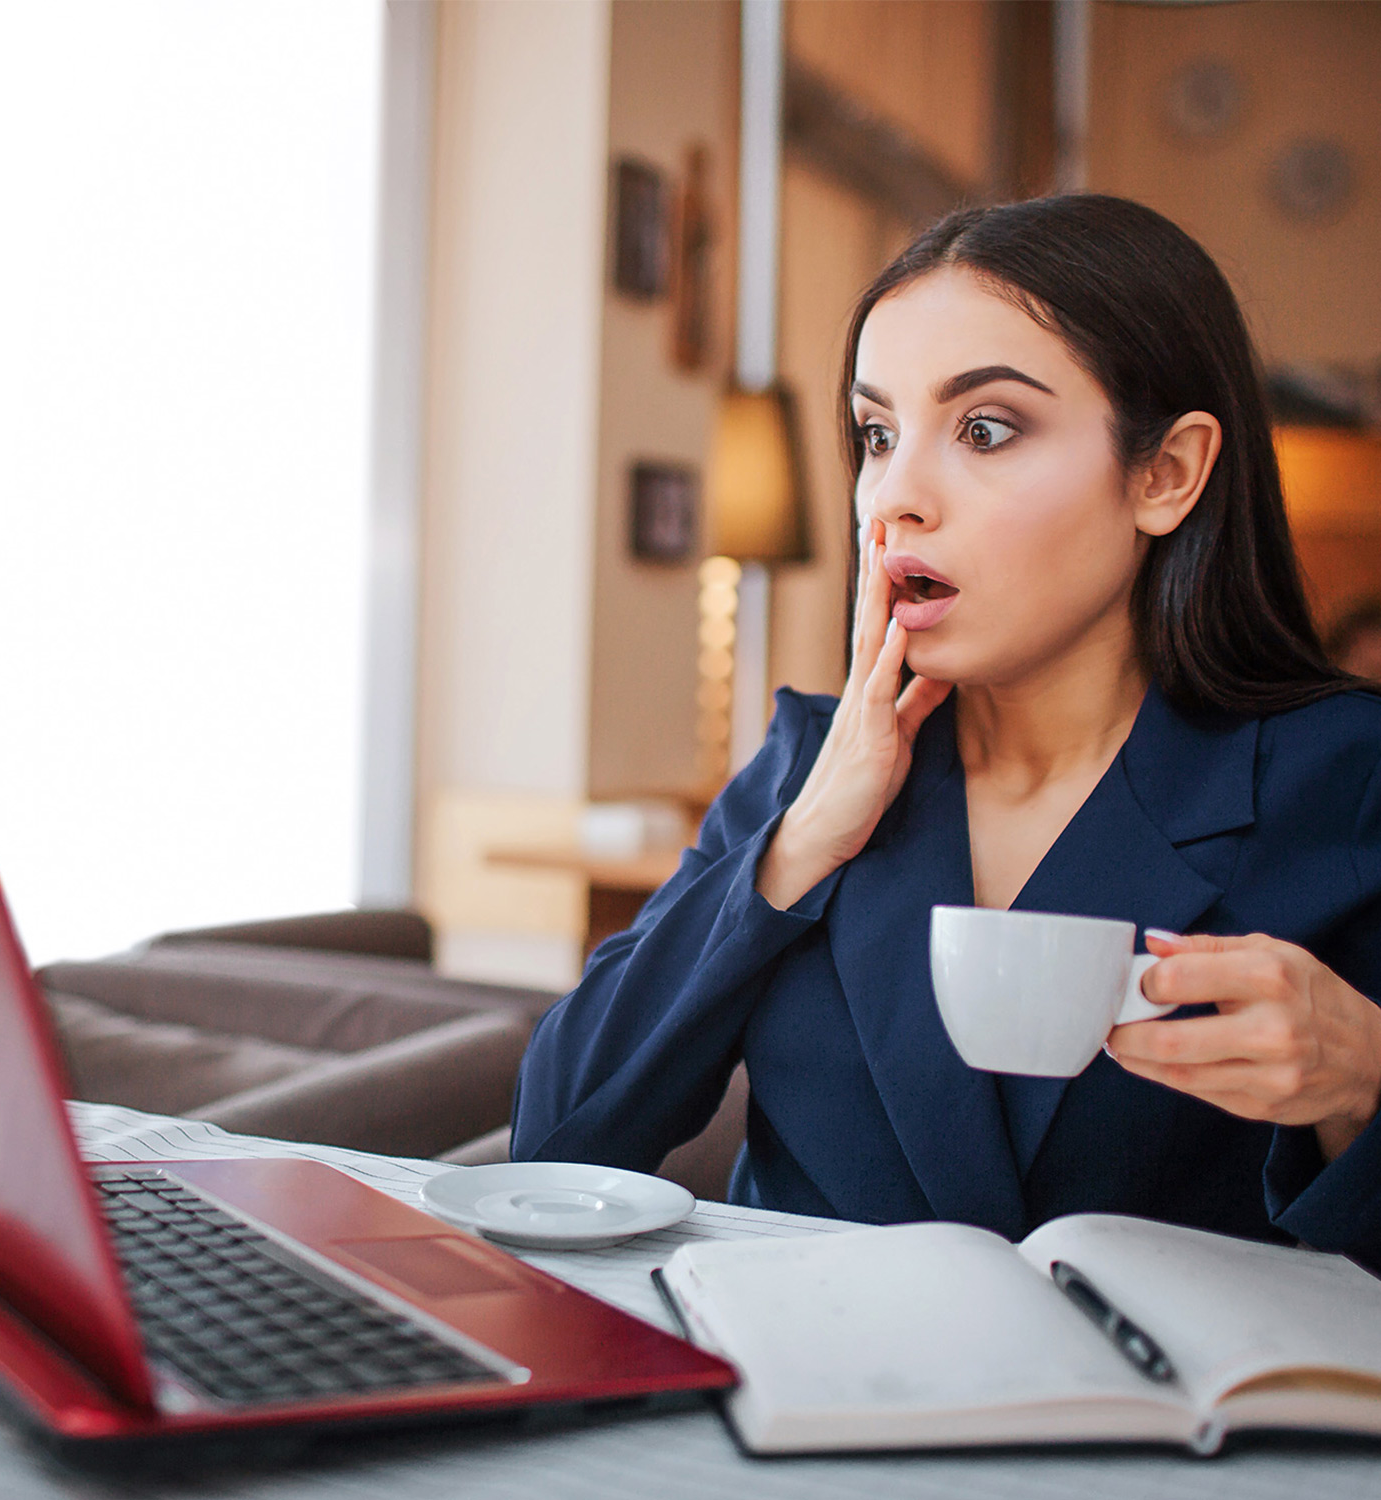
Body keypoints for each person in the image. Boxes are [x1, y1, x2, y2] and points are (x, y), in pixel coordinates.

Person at [512, 195, 1381, 1269]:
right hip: (792, 1403)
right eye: (877, 434)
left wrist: (1364, 1084)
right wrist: (798, 848)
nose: (897, 497)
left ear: (1166, 474)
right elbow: (554, 1143)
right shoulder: (807, 769)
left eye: (984, 429)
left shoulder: (1342, 781)